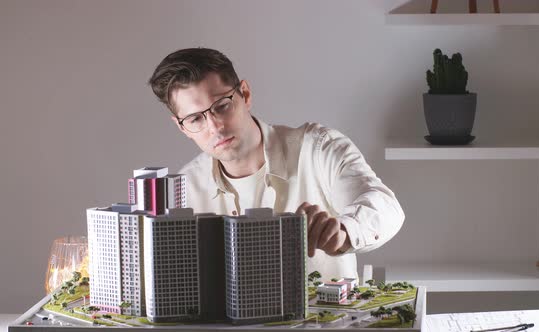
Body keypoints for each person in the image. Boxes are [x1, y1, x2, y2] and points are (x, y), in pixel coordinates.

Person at [148, 47, 404, 281]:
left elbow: (385, 206)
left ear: (245, 94)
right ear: (182, 127)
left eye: (222, 106)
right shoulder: (184, 188)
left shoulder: (318, 148)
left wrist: (343, 231)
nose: (215, 127)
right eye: (195, 119)